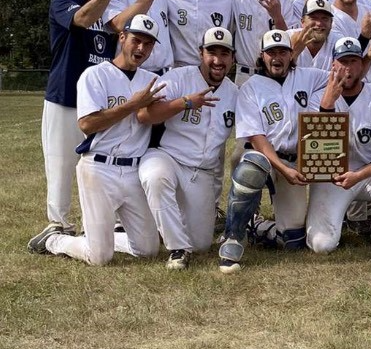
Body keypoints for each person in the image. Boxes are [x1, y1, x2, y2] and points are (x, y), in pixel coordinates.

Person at [27, 15, 164, 265]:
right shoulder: (95, 75)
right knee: (99, 257)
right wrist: (133, 104)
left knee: (148, 250)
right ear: (122, 38)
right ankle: (55, 240)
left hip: (133, 169)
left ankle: (101, 236)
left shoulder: (150, 81)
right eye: (136, 40)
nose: (141, 48)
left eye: (148, 44)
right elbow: (87, 124)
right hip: (99, 168)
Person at [29, 0, 124, 244]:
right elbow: (82, 19)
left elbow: (122, 24)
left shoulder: (108, 6)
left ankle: (98, 222)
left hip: (97, 101)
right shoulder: (62, 1)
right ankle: (58, 224)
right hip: (64, 95)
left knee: (100, 164)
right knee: (60, 164)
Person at [217, 29, 328, 274]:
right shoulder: (250, 87)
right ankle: (233, 236)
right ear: (262, 57)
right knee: (252, 166)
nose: (276, 57)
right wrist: (283, 168)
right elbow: (256, 138)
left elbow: (341, 77)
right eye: (271, 52)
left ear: (291, 54)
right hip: (266, 158)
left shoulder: (310, 77)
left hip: (294, 160)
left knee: (293, 241)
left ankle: (257, 227)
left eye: (282, 52)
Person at [137, 27, 239, 269]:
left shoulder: (235, 93)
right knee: (155, 178)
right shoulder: (177, 78)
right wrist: (184, 102)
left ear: (232, 58)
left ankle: (161, 227)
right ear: (200, 53)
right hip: (167, 156)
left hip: (202, 171)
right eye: (211, 52)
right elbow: (144, 115)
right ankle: (176, 249)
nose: (217, 60)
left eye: (224, 54)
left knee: (202, 244)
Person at [306, 37, 371, 254]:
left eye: (353, 61)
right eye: (343, 62)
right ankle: (338, 219)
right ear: (333, 65)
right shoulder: (318, 99)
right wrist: (327, 107)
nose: (348, 68)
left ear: (361, 65)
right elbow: (317, 157)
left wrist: (358, 176)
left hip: (367, 176)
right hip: (332, 178)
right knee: (321, 246)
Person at [230, 0, 293, 87]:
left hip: (274, 74)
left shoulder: (284, 0)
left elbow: (291, 42)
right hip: (244, 75)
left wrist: (277, 16)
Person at [292, 0, 342, 71]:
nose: (319, 23)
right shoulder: (287, 39)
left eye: (324, 18)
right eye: (313, 18)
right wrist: (294, 53)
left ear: (331, 23)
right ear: (302, 22)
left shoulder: (339, 43)